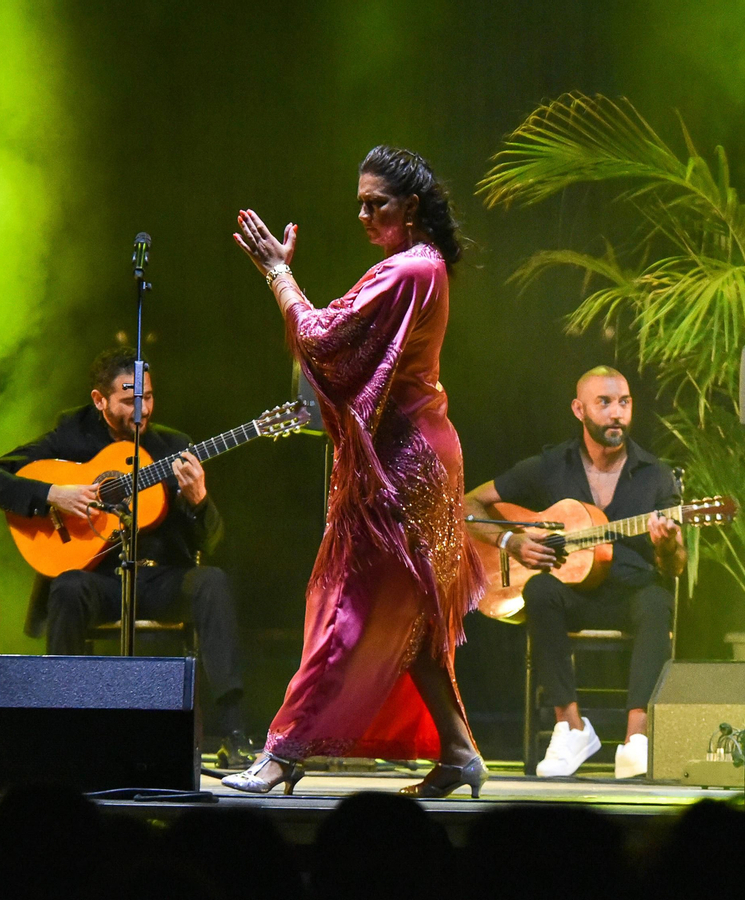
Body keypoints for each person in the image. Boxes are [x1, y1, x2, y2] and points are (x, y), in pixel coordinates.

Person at [225, 145, 487, 797]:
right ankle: (458, 754)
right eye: (360, 204)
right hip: (416, 454)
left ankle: (283, 753)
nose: (366, 215)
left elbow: (321, 340)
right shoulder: (422, 268)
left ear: (413, 208)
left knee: (343, 605)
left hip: (403, 465)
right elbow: (338, 342)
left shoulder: (407, 272)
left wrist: (277, 275)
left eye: (379, 203)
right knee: (414, 615)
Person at [0, 348, 248, 762]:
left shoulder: (173, 447)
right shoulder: (69, 437)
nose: (142, 410)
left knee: (213, 582)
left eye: (149, 398)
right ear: (99, 400)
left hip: (159, 579)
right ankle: (60, 726)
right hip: (98, 580)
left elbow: (215, 540)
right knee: (66, 587)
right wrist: (52, 494)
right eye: (129, 400)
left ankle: (235, 730)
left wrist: (200, 501)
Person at [464, 366, 684, 778]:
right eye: (604, 403)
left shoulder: (656, 475)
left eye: (624, 402)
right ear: (578, 409)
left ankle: (637, 739)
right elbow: (469, 505)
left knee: (657, 599)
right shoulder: (549, 466)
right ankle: (571, 727)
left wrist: (667, 544)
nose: (617, 413)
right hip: (572, 597)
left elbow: (675, 567)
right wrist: (510, 542)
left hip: (629, 596)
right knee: (541, 592)